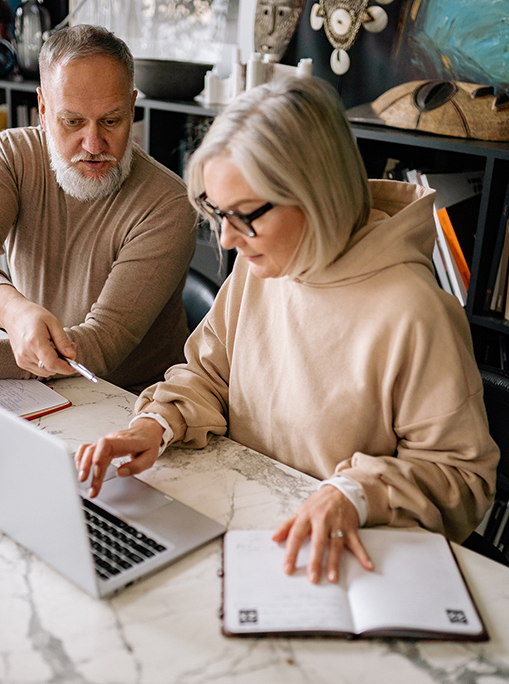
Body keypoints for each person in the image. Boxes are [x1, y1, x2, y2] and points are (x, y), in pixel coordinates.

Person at [74, 76, 499, 583]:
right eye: (216, 212)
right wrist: (154, 425)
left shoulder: (415, 311)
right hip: (242, 521)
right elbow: (208, 376)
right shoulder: (261, 267)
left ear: (314, 195)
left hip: (341, 558)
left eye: (245, 216)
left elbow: (461, 478)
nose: (228, 239)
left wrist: (353, 494)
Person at [0, 25, 196, 393]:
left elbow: (103, 343)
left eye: (112, 120)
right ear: (42, 109)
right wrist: (14, 312)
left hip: (130, 401)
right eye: (72, 121)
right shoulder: (11, 156)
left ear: (132, 108)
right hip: (32, 380)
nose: (93, 144)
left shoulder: (168, 204)